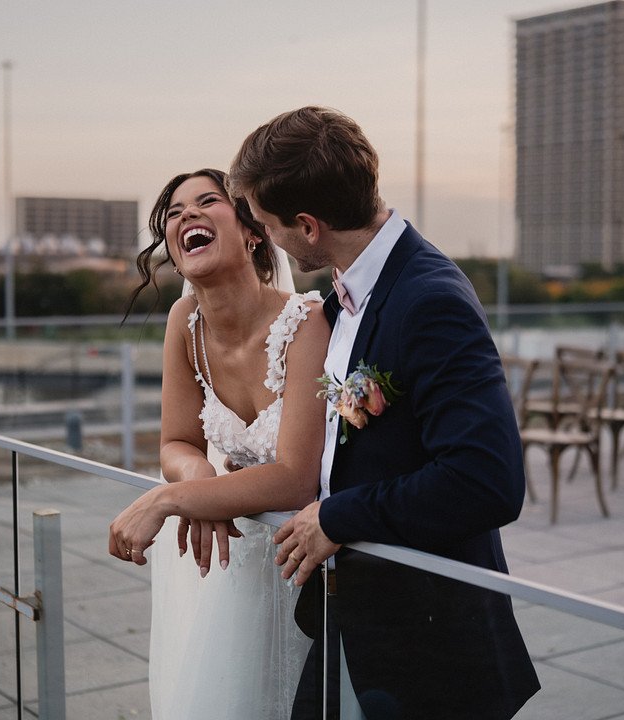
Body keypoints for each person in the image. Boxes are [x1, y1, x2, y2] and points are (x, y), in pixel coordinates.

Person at [227, 106, 541, 719]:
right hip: (360, 614)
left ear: (309, 227)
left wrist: (337, 516)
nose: (266, 239)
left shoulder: (429, 299)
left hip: (431, 643)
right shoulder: (348, 295)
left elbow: (488, 481)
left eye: (266, 224)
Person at [108, 168, 331, 718]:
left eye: (207, 201)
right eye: (175, 213)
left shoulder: (308, 323)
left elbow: (295, 476)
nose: (186, 216)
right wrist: (199, 478)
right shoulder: (184, 321)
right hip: (235, 567)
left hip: (313, 565)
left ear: (253, 231)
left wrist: (169, 499)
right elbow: (176, 442)